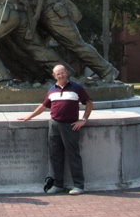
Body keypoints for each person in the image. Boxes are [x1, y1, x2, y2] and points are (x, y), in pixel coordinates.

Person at [18, 64, 93, 195]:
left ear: (67, 73)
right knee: (55, 155)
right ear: (54, 76)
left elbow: (89, 103)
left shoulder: (76, 88)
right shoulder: (52, 90)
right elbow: (43, 106)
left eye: (62, 72)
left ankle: (79, 185)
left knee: (73, 155)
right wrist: (29, 116)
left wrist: (83, 120)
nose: (61, 75)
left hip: (70, 126)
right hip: (54, 125)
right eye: (58, 73)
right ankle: (58, 184)